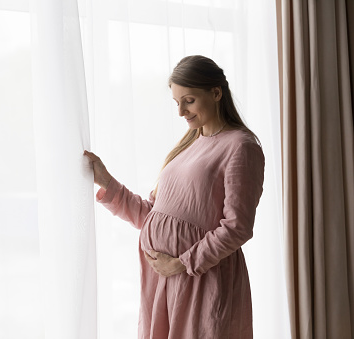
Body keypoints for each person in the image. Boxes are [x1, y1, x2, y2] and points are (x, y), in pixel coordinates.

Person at [84, 55, 265, 339]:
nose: (181, 111)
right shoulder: (188, 144)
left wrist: (181, 263)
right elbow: (151, 216)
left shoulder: (241, 147)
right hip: (163, 285)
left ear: (216, 93)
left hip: (202, 281)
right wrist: (106, 180)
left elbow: (237, 226)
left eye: (189, 100)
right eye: (176, 102)